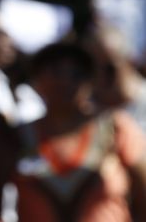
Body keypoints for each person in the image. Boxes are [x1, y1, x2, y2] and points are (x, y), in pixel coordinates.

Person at [14, 41, 146, 222]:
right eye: (55, 71)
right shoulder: (17, 135)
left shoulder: (115, 127)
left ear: (90, 82)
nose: (65, 80)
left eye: (76, 74)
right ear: (37, 79)